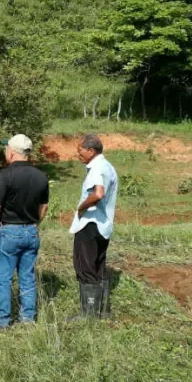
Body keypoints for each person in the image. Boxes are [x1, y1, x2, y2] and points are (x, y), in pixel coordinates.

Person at [0, 134, 49, 329]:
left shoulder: (4, 176)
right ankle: (28, 319)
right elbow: (43, 207)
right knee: (27, 277)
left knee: (3, 278)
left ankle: (1, 321)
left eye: (6, 149)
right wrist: (34, 225)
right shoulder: (41, 176)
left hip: (9, 232)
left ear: (11, 152)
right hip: (31, 231)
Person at [69, 134, 118, 321]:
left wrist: (81, 207)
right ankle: (103, 311)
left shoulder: (97, 168)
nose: (77, 154)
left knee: (85, 266)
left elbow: (98, 193)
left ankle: (88, 314)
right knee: (99, 266)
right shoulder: (108, 167)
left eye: (80, 150)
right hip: (104, 224)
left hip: (90, 223)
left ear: (91, 151)